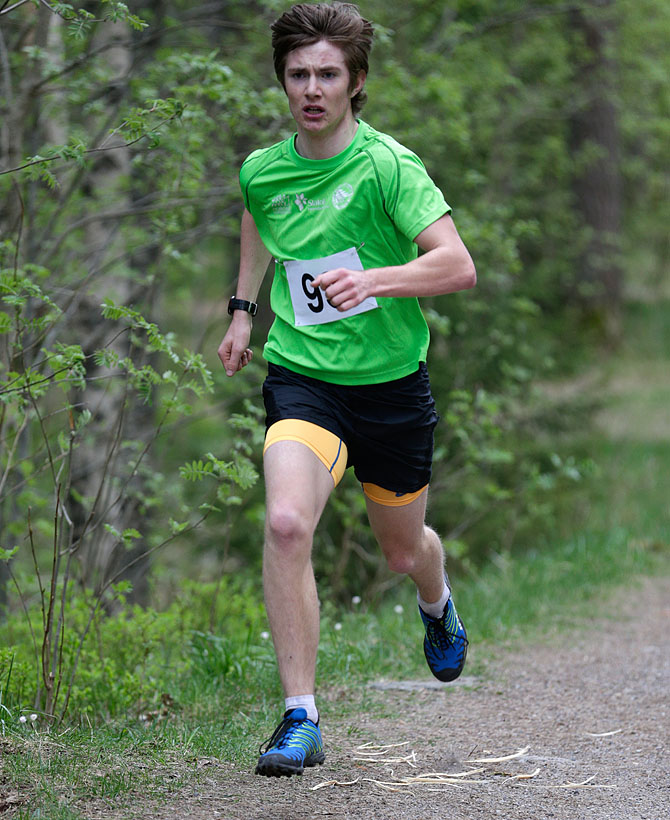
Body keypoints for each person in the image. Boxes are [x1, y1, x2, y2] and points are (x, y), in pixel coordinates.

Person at [217, 2, 476, 779]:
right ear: (282, 81)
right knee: (286, 523)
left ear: (355, 81)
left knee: (402, 552)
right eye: (298, 74)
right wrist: (242, 310)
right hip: (304, 379)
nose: (312, 89)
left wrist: (374, 280)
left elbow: (457, 265)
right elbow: (260, 216)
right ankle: (301, 718)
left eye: (328, 74)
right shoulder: (264, 169)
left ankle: (436, 600)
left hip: (391, 388)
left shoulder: (388, 167)